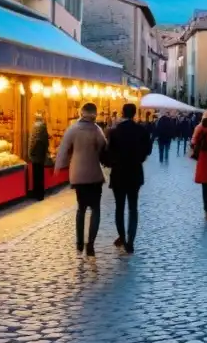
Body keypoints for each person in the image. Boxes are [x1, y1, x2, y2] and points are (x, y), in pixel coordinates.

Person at [55, 102, 108, 256]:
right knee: (95, 209)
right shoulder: (97, 130)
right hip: (94, 175)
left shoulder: (72, 129)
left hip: (77, 175)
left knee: (81, 208)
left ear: (81, 113)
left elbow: (63, 149)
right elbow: (103, 147)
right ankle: (90, 243)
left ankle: (79, 242)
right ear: (94, 114)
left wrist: (59, 166)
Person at [106, 102, 153, 253]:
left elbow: (109, 152)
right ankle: (130, 241)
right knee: (133, 208)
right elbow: (148, 150)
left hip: (119, 173)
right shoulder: (141, 130)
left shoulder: (114, 132)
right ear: (134, 114)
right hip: (134, 172)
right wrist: (139, 159)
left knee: (119, 208)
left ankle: (122, 237)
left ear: (122, 112)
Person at [28, 112, 50, 201]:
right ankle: (39, 194)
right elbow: (45, 141)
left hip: (35, 154)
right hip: (40, 154)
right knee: (39, 174)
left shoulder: (36, 126)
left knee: (36, 175)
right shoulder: (42, 126)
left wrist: (31, 151)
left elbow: (34, 141)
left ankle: (37, 193)